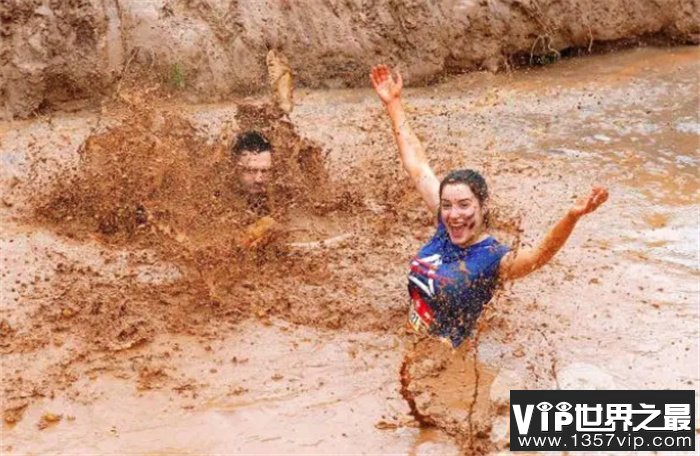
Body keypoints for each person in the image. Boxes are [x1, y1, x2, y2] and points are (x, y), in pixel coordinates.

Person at [370, 64, 609, 348]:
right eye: (447, 205)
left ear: (482, 207)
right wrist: (394, 105)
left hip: (448, 364)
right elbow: (417, 165)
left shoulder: (493, 258)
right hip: (409, 345)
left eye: (464, 205)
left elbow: (541, 255)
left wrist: (571, 217)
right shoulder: (446, 224)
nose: (454, 214)